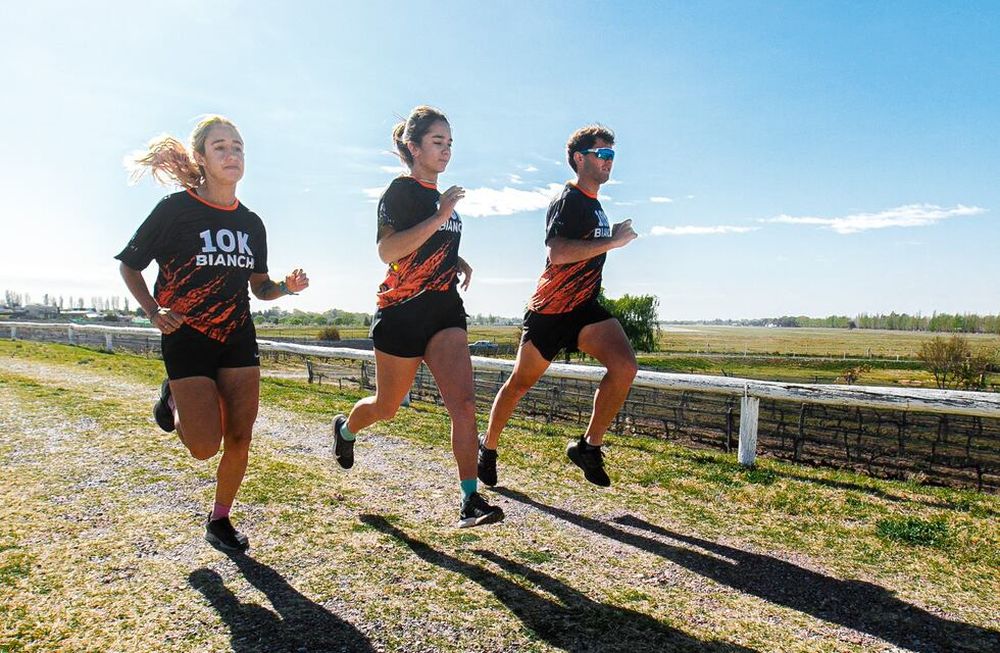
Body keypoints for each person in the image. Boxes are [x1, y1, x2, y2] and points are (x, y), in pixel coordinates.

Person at [116, 115, 309, 552]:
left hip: (238, 336)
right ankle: (171, 397)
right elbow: (130, 265)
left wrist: (284, 287)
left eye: (238, 146)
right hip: (186, 335)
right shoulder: (174, 210)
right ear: (200, 158)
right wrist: (152, 310)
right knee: (204, 446)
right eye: (220, 147)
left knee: (240, 435)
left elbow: (259, 287)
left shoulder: (252, 223)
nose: (232, 154)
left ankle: (219, 519)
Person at [330, 105, 503, 528]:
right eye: (437, 142)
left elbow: (428, 245)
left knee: (462, 405)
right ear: (414, 146)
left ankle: (469, 501)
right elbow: (389, 251)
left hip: (444, 310)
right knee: (386, 406)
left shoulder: (437, 199)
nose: (445, 151)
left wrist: (455, 259)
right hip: (401, 314)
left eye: (449, 143)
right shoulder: (401, 193)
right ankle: (346, 430)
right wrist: (441, 215)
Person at [478, 124, 638, 488]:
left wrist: (609, 235)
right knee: (520, 384)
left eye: (612, 155)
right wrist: (612, 241)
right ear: (580, 159)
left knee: (625, 366)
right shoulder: (568, 200)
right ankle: (487, 448)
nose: (609, 162)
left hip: (584, 308)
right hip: (550, 312)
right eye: (603, 155)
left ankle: (588, 447)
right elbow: (559, 252)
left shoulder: (595, 206)